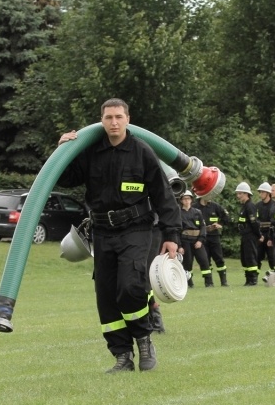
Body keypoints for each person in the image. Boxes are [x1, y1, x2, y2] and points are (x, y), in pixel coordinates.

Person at [57, 98, 181, 373]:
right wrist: (63, 149)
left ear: (127, 119)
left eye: (118, 117)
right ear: (101, 120)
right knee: (106, 295)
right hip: (102, 233)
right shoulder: (90, 151)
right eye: (108, 117)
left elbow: (163, 194)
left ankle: (144, 339)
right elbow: (65, 178)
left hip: (136, 230)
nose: (113, 122)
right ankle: (122, 356)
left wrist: (171, 235)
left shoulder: (142, 151)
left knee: (130, 286)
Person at [193, 193, 231, 286]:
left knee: (219, 258)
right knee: (205, 260)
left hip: (214, 237)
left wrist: (220, 224)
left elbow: (227, 218)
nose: (210, 197)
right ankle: (208, 282)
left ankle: (224, 281)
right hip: (202, 238)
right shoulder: (195, 207)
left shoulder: (216, 207)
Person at [179, 191, 213, 287]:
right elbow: (177, 230)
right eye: (184, 199)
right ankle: (189, 283)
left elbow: (202, 227)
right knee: (187, 262)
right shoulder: (178, 213)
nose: (186, 201)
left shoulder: (197, 212)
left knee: (204, 260)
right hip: (185, 241)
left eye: (188, 198)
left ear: (191, 200)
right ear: (181, 200)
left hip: (197, 240)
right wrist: (179, 246)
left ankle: (209, 282)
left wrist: (200, 240)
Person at [235, 182, 262, 286]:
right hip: (245, 236)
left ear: (246, 194)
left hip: (250, 236)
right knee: (245, 258)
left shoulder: (250, 206)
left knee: (250, 257)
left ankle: (253, 279)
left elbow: (254, 223)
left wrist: (259, 235)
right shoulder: (244, 206)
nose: (238, 196)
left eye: (240, 194)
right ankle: (248, 279)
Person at [255, 182, 275, 274]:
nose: (260, 194)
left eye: (262, 192)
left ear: (268, 193)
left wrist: (270, 237)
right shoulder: (258, 206)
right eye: (260, 192)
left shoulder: (274, 205)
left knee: (272, 256)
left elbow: (274, 222)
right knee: (257, 256)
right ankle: (254, 277)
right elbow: (256, 220)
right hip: (260, 235)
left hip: (271, 234)